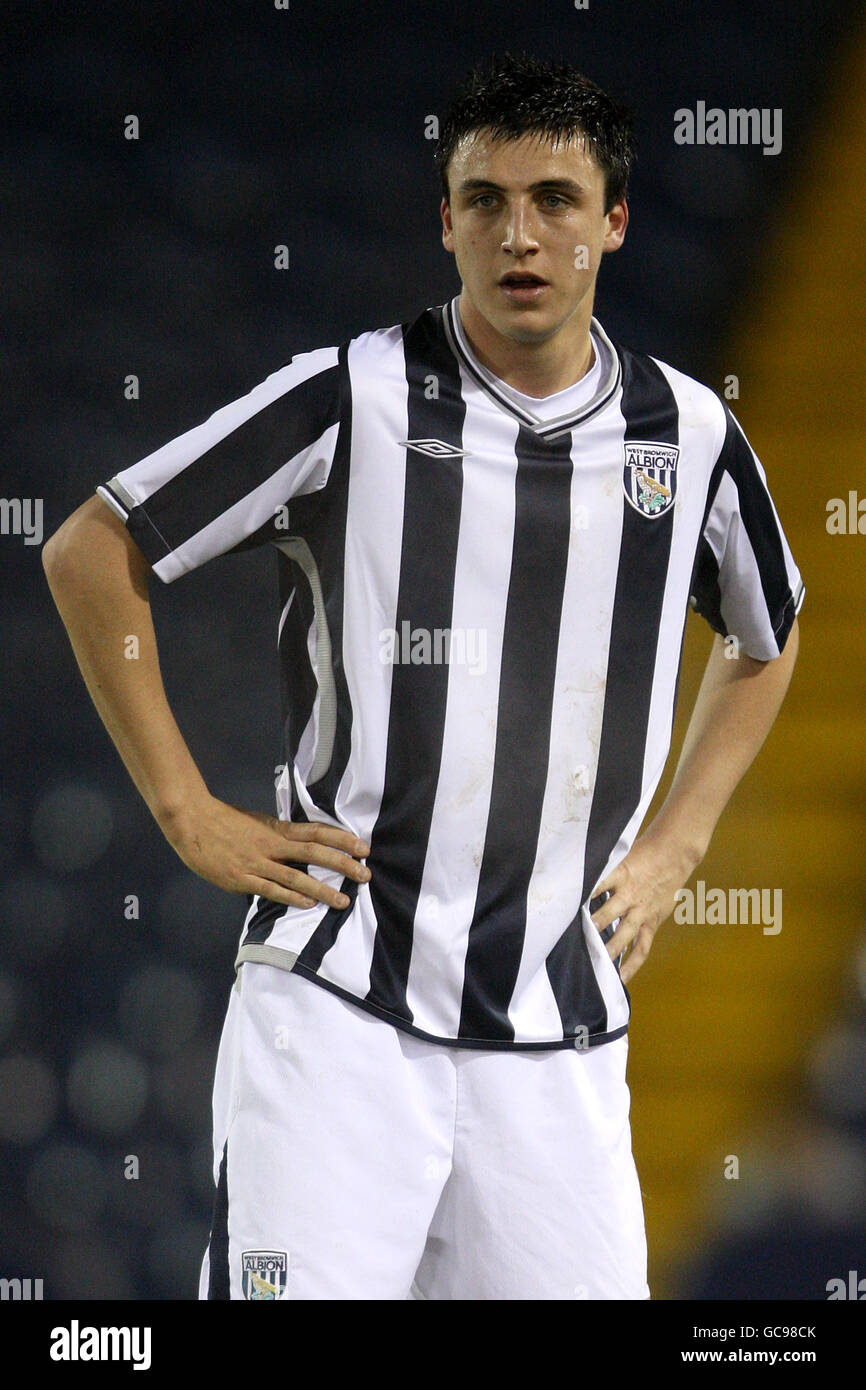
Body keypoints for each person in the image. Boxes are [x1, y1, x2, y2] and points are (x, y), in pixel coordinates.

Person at [43, 54, 803, 1300]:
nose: (518, 233)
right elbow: (92, 547)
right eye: (483, 198)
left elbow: (765, 640)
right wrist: (187, 811)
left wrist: (678, 845)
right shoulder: (349, 396)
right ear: (441, 219)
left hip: (557, 1035)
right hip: (339, 1010)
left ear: (612, 221)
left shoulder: (692, 436)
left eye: (554, 198)